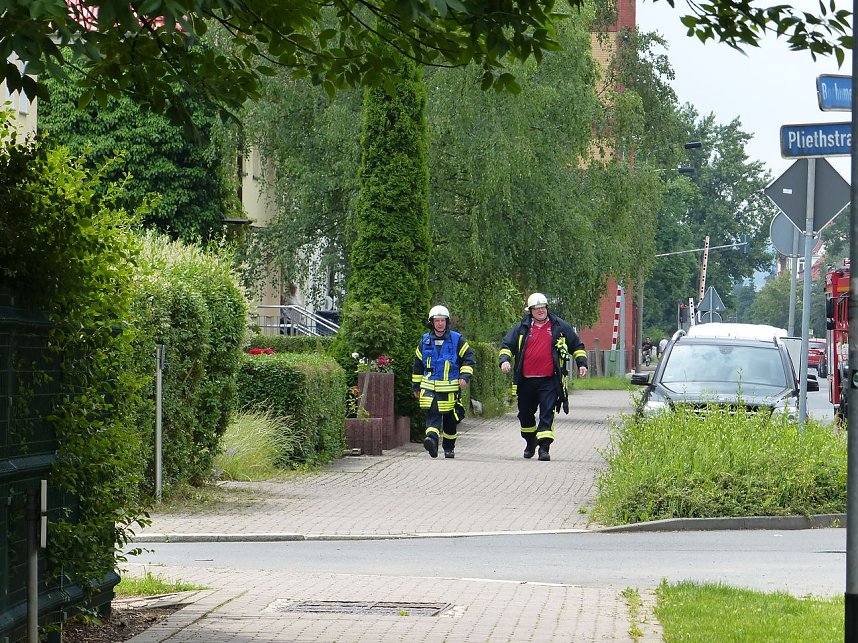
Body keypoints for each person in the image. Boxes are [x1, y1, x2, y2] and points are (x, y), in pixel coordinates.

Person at [498, 293, 588, 462]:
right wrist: (504, 360)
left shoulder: (559, 327)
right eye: (536, 308)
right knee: (525, 415)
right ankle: (530, 440)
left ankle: (544, 447)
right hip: (526, 380)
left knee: (547, 412)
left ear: (547, 308)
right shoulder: (522, 328)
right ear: (530, 311)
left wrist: (581, 363)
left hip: (550, 379)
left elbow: (577, 345)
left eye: (542, 308)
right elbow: (506, 346)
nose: (540, 311)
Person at [413, 305, 476, 459]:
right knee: (433, 414)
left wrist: (464, 376)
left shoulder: (457, 340)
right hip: (429, 388)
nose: (440, 323)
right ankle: (432, 442)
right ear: (432, 322)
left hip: (450, 389)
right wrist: (416, 386)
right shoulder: (424, 341)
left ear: (447, 322)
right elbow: (418, 365)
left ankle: (449, 448)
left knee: (450, 419)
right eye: (437, 320)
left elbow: (469, 359)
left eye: (442, 320)